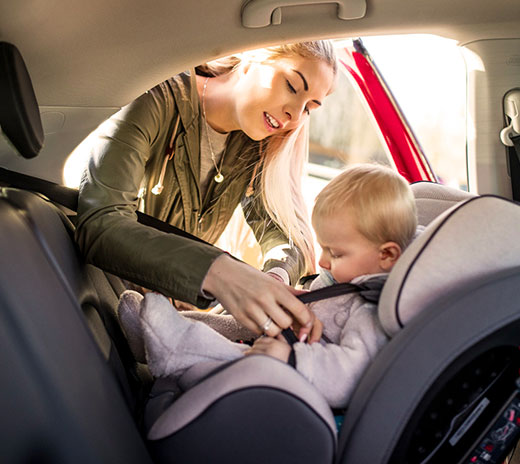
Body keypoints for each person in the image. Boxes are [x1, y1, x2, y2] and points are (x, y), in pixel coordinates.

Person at [76, 42, 337, 338]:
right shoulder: (156, 100)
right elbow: (100, 224)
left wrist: (274, 277)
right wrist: (218, 273)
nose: (295, 114)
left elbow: (281, 233)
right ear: (253, 56)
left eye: (310, 108)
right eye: (291, 86)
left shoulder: (256, 142)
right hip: (106, 306)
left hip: (168, 320)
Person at [119, 163, 418, 410]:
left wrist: (290, 358)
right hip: (284, 338)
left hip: (286, 378)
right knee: (234, 322)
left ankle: (172, 343)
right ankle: (156, 331)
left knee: (230, 355)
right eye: (323, 248)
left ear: (387, 255)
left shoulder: (372, 311)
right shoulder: (349, 279)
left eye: (336, 253)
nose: (323, 261)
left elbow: (348, 377)